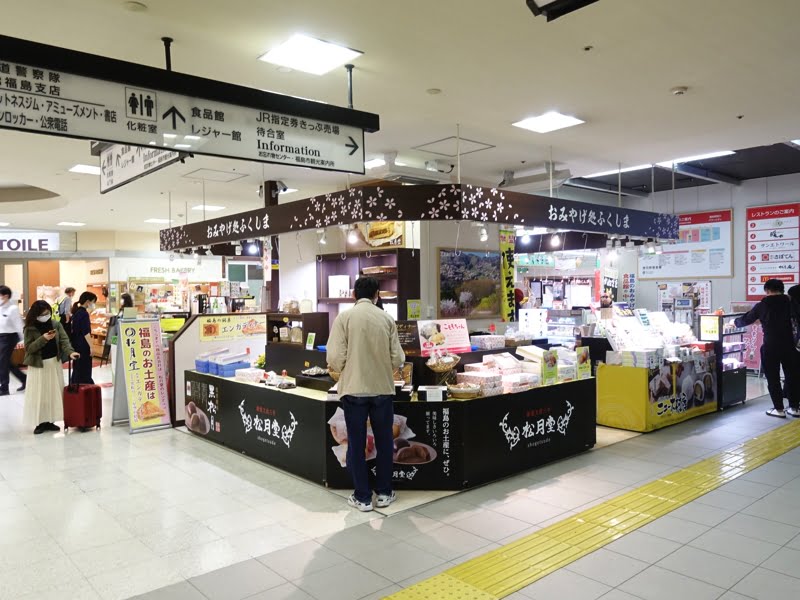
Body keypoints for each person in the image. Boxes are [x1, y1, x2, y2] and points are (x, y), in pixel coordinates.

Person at [327, 277, 405, 512]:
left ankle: (362, 497)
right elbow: (399, 359)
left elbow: (334, 358)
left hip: (353, 390)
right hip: (382, 389)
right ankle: (383, 493)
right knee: (384, 442)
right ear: (377, 295)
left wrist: (346, 369)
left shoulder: (344, 318)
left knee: (356, 443)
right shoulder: (386, 318)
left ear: (353, 294)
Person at [734, 279, 800, 418]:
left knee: (773, 378)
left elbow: (745, 320)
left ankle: (779, 410)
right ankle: (794, 408)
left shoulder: (762, 305)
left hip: (771, 346)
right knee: (792, 377)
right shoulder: (790, 302)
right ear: (782, 289)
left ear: (767, 290)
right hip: (790, 346)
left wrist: (734, 322)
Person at [23, 300, 80, 434]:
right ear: (36, 314)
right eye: (43, 314)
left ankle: (50, 421)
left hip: (54, 363)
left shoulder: (56, 324)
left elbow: (64, 340)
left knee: (53, 392)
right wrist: (43, 338)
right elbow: (29, 348)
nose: (46, 315)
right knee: (40, 394)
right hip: (38, 366)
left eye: (48, 313)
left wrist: (71, 352)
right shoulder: (30, 328)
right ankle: (40, 422)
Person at [0, 286, 27, 395]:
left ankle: (4, 388)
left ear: (6, 296)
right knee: (6, 362)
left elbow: (19, 325)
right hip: (1, 336)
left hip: (9, 337)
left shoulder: (13, 308)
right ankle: (24, 379)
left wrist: (24, 340)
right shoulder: (0, 307)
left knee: (2, 362)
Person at [70, 291, 98, 385]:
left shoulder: (76, 312)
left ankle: (75, 387)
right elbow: (86, 333)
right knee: (85, 368)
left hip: (76, 344)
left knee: (77, 368)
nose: (94, 304)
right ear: (87, 301)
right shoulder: (84, 314)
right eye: (93, 302)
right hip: (83, 346)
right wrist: (92, 347)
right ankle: (85, 387)